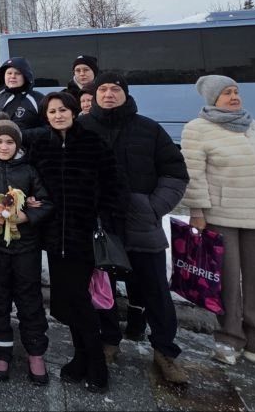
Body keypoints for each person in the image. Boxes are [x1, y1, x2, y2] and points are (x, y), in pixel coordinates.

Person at [78, 72, 189, 385]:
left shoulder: (148, 129)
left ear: (125, 94)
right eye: (103, 89)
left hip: (141, 224)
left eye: (115, 89)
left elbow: (175, 173)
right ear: (94, 95)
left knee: (155, 290)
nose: (109, 94)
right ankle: (108, 340)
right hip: (100, 224)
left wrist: (153, 207)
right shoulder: (81, 128)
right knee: (102, 288)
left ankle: (165, 351)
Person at [182, 75, 255, 375]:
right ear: (212, 99)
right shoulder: (198, 128)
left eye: (235, 91)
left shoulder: (251, 126)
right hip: (222, 213)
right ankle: (229, 338)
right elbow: (194, 174)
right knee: (227, 279)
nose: (234, 97)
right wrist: (197, 211)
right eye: (226, 93)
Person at [26, 92, 127, 394]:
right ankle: (80, 357)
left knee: (82, 300)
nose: (58, 115)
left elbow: (112, 186)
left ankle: (96, 362)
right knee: (68, 301)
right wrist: (31, 199)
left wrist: (103, 220)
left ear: (73, 111)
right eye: (52, 111)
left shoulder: (93, 143)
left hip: (85, 236)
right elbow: (32, 184)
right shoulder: (41, 146)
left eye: (62, 110)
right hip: (54, 236)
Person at [0, 120, 49, 386]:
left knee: (30, 299)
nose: (4, 147)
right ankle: (0, 352)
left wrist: (28, 216)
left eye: (10, 142)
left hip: (26, 247)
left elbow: (45, 202)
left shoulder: (28, 170)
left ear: (17, 145)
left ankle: (35, 352)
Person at [0, 57, 47, 130]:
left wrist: (20, 134)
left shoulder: (38, 99)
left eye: (17, 73)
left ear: (25, 76)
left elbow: (49, 129)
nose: (12, 76)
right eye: (9, 73)